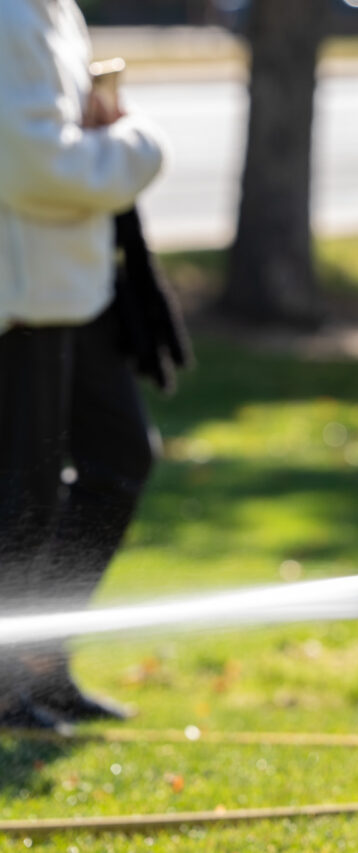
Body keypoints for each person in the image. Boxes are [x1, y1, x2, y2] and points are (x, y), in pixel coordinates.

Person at [0, 0, 169, 728]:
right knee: (21, 499)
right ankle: (7, 686)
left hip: (73, 283)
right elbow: (31, 163)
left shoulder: (50, 6)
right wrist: (136, 149)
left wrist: (103, 128)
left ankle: (37, 659)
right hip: (19, 291)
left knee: (118, 460)